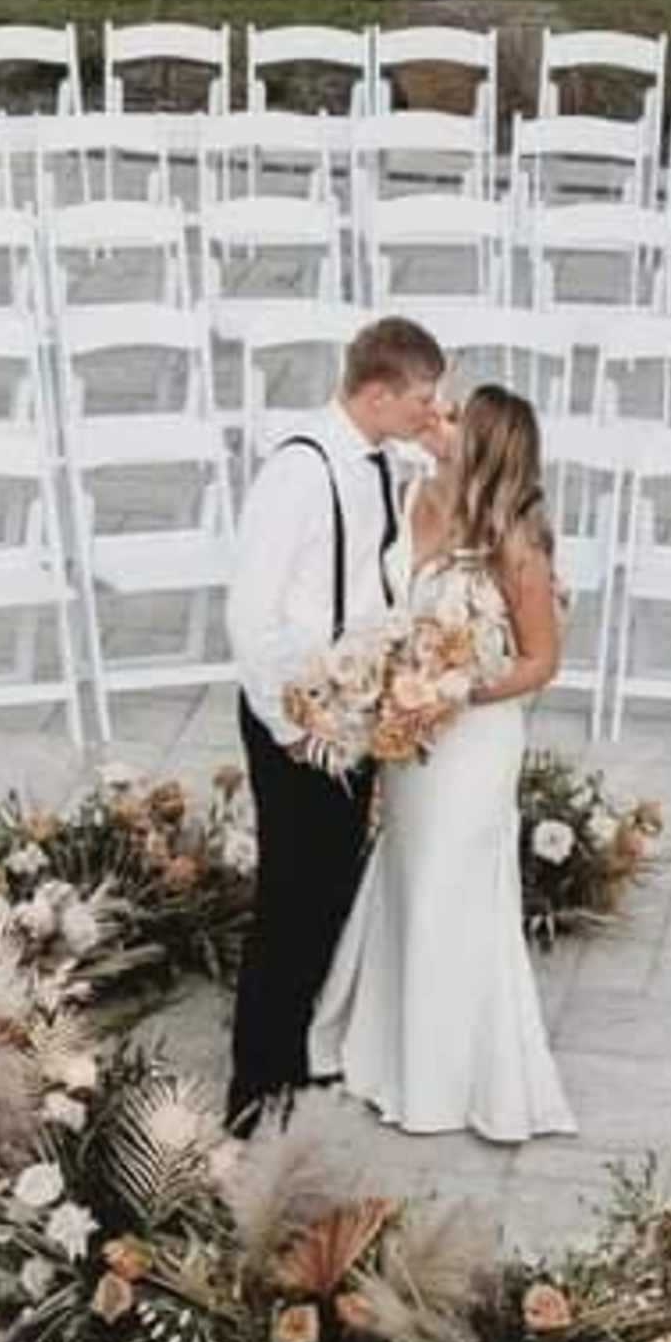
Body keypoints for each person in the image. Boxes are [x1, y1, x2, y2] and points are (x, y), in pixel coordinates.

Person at [308, 383, 577, 1146]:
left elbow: (541, 662)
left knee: (448, 894)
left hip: (471, 744)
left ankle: (443, 1079)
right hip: (407, 743)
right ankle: (384, 1049)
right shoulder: (415, 492)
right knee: (403, 878)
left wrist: (455, 691)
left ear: (484, 441)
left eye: (453, 415)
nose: (437, 417)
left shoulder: (517, 544)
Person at [223, 314, 448, 1134]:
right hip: (297, 720)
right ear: (379, 392)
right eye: (422, 398)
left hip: (351, 717)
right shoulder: (300, 472)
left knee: (328, 895)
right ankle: (252, 1091)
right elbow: (252, 613)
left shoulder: (386, 461)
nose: (433, 412)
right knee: (289, 901)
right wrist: (291, 726)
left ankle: (292, 1054)